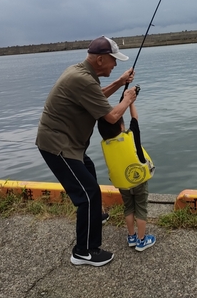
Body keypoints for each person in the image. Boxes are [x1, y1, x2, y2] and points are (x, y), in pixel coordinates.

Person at [36, 36, 137, 267]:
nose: (115, 65)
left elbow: (96, 98)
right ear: (100, 59)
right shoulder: (82, 79)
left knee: (89, 171)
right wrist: (128, 98)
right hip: (58, 146)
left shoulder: (81, 73)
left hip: (69, 144)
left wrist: (121, 83)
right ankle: (84, 251)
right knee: (88, 193)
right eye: (113, 61)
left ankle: (94, 216)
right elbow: (111, 116)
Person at [97, 91, 156, 252]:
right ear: (122, 126)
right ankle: (142, 240)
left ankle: (131, 237)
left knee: (128, 208)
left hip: (123, 184)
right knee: (141, 209)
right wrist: (130, 101)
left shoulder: (106, 145)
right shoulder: (131, 135)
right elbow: (135, 119)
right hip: (139, 181)